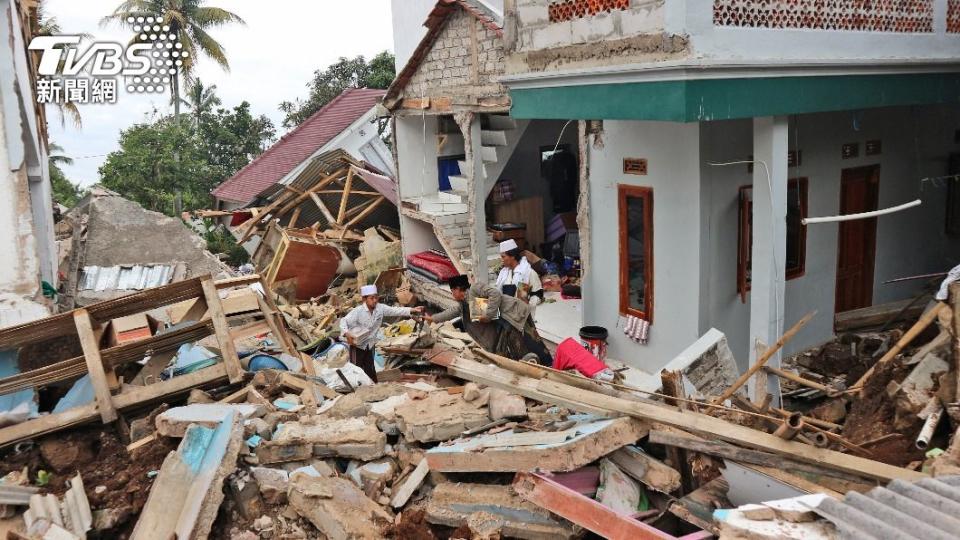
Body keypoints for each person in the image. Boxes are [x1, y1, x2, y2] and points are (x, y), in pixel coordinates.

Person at [427, 274, 552, 365]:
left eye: (452, 291)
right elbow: (452, 312)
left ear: (458, 289)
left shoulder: (475, 289)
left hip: (515, 314)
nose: (452, 294)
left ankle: (548, 364)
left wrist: (488, 315)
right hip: (505, 323)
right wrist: (432, 318)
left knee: (531, 341)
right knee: (514, 346)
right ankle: (529, 364)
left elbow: (495, 294)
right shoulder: (464, 303)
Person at [340, 284, 423, 382]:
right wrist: (347, 333)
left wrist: (412, 310)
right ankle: (355, 388)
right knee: (356, 368)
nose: (375, 300)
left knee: (370, 367)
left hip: (370, 344)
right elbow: (343, 321)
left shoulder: (380, 308)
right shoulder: (358, 311)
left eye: (376, 297)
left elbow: (395, 311)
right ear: (364, 299)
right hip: (357, 345)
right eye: (371, 298)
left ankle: (373, 386)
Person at [495, 240, 544, 319]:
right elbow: (498, 291)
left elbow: (538, 294)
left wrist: (528, 304)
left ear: (512, 256)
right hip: (506, 314)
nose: (501, 259)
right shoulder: (503, 273)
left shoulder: (528, 273)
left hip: (522, 316)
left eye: (503, 256)